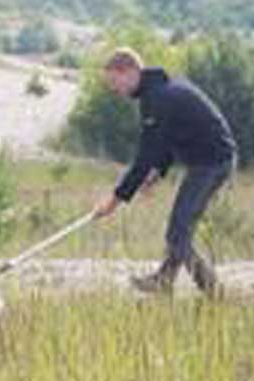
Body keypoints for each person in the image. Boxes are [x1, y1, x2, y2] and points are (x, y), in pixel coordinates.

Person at [91, 47, 237, 294]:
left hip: (212, 163)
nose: (114, 89)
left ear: (130, 71)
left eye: (115, 81)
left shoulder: (158, 98)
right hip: (205, 162)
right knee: (180, 230)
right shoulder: (158, 92)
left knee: (177, 234)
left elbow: (144, 157)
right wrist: (159, 170)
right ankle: (164, 280)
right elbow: (168, 138)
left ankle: (214, 291)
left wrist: (115, 200)